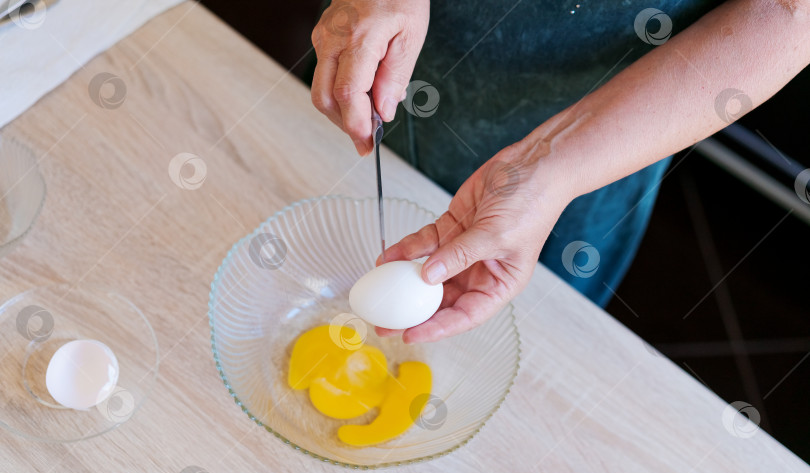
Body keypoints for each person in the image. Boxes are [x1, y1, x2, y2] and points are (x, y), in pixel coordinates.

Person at [309, 0, 810, 343]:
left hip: (614, 127)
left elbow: (788, 13)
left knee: (541, 332)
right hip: (411, 49)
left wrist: (549, 171)